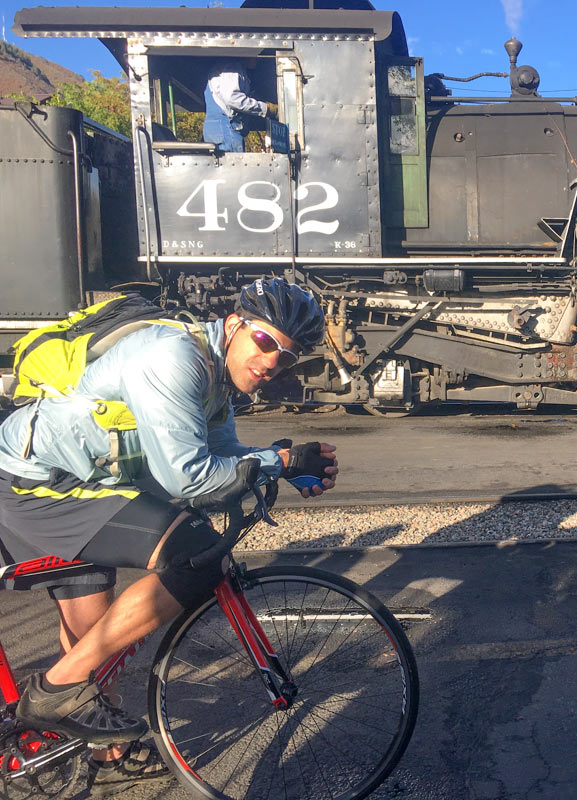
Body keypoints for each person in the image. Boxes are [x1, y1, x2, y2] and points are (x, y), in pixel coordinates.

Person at [0, 278, 338, 793]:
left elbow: (224, 463)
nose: (272, 363)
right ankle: (53, 692)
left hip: (82, 481)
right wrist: (280, 461)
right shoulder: (173, 357)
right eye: (266, 342)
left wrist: (278, 466)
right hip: (36, 484)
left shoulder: (215, 384)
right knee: (195, 552)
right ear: (235, 325)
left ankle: (105, 752)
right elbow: (188, 478)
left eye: (287, 359)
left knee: (97, 640)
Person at [202, 58, 278, 153]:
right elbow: (233, 98)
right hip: (227, 130)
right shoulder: (232, 69)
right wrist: (265, 109)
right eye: (255, 57)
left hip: (218, 131)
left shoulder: (222, 70)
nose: (257, 60)